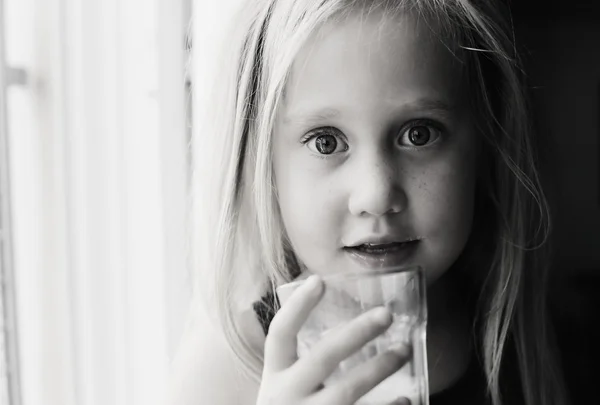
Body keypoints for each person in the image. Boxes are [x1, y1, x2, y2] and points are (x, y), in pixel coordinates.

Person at [166, 0, 571, 404]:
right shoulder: (226, 367)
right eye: (326, 142)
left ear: (486, 144)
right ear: (264, 166)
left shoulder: (525, 334)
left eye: (419, 134)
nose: (376, 194)